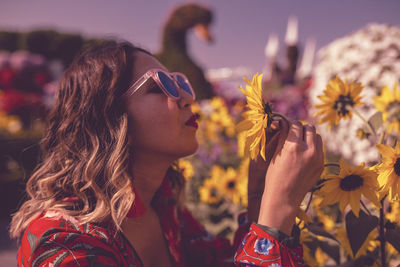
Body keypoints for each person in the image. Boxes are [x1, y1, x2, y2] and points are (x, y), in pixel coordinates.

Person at [10, 41, 324, 266]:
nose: (188, 97)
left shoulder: (163, 206)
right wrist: (278, 210)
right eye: (160, 87)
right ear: (107, 118)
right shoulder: (60, 242)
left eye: (181, 83)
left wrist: (259, 194)